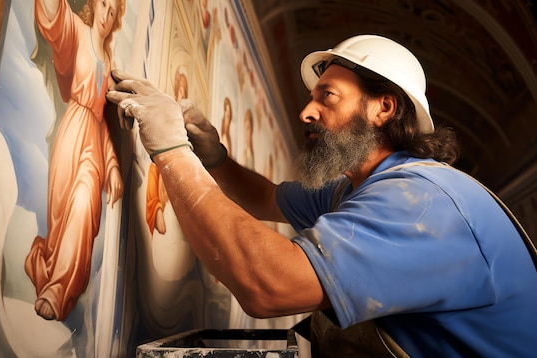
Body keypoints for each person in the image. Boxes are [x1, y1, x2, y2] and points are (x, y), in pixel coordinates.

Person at [106, 34, 537, 356]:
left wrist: (171, 150)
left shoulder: (422, 205)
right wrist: (213, 157)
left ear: (382, 108)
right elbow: (267, 198)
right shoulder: (359, 187)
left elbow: (266, 286)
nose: (306, 112)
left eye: (326, 96)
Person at [24, 0, 125, 321]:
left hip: (94, 143)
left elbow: (102, 121)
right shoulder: (78, 33)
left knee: (84, 206)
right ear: (95, 5)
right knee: (62, 214)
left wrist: (111, 166)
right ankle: (49, 266)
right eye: (105, 6)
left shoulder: (108, 60)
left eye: (113, 13)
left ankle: (58, 289)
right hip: (72, 134)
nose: (107, 17)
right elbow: (56, 21)